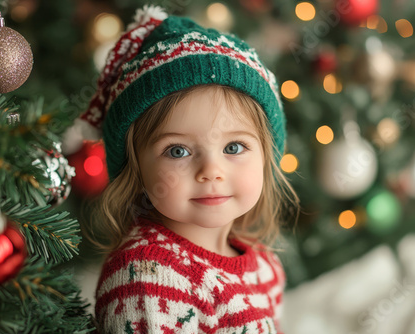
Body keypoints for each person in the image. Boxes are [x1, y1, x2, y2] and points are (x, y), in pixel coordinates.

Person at [80, 5, 298, 333]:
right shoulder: (145, 278)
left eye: (234, 147)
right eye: (178, 151)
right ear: (136, 168)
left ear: (267, 156)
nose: (211, 171)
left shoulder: (265, 265)